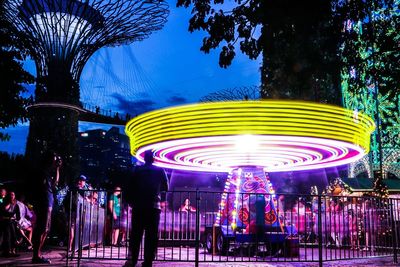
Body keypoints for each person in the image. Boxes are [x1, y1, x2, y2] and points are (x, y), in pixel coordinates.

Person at [126, 150, 168, 267]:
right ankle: (148, 261)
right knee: (151, 235)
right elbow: (166, 186)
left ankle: (133, 260)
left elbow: (129, 186)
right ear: (153, 159)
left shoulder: (137, 170)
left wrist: (131, 201)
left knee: (136, 234)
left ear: (144, 159)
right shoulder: (160, 170)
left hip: (138, 206)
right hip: (154, 206)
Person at [31, 151, 61, 264]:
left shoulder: (47, 173)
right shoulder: (42, 171)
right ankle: (36, 256)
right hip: (44, 203)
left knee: (46, 230)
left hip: (48, 203)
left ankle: (37, 254)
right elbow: (39, 188)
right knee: (42, 229)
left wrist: (57, 169)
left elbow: (54, 184)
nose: (55, 161)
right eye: (54, 159)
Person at [0, 192, 20, 257]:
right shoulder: (4, 203)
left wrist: (16, 219)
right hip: (4, 221)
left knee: (13, 235)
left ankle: (12, 251)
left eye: (13, 195)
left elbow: (18, 215)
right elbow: (4, 210)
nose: (12, 196)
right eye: (10, 195)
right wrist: (9, 203)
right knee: (7, 236)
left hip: (12, 221)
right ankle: (7, 251)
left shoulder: (16, 205)